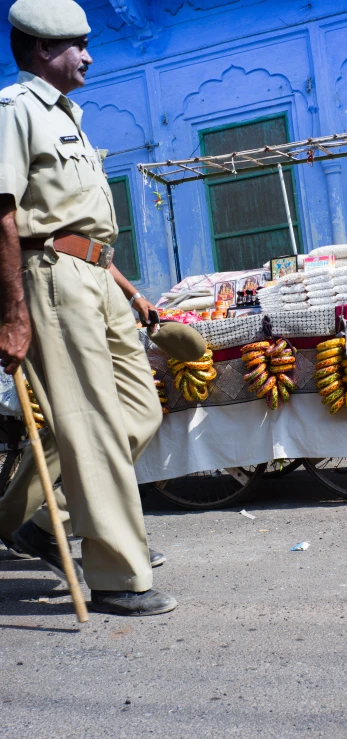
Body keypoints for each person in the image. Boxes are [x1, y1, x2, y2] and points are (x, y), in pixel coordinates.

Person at [0, 0, 177, 615]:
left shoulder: (69, 117)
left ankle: (40, 523)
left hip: (95, 273)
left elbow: (86, 228)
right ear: (43, 51)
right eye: (77, 44)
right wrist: (13, 314)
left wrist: (128, 289)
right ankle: (117, 578)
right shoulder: (15, 110)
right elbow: (4, 213)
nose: (89, 54)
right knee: (94, 424)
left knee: (142, 409)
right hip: (50, 278)